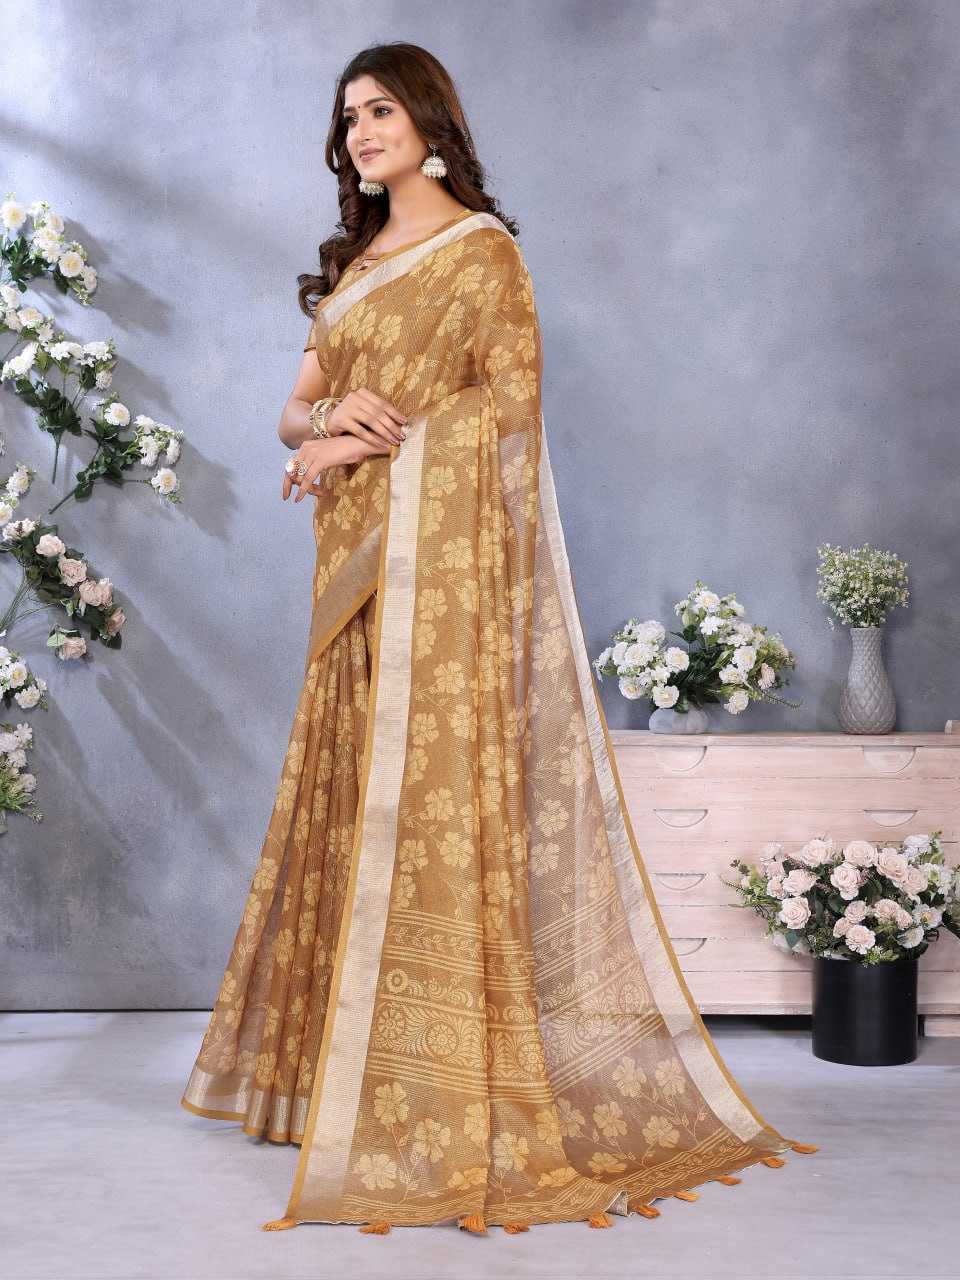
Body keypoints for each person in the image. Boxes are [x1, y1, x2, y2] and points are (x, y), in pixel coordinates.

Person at [180, 40, 817, 1236]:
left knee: (426, 809)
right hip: (355, 574)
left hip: (440, 583)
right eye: (349, 117)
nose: (363, 131)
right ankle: (334, 1083)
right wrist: (326, 419)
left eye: (382, 110)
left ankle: (444, 1091)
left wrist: (353, 443)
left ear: (431, 122)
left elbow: (508, 413)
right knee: (348, 796)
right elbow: (289, 409)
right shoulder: (353, 265)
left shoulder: (483, 254)